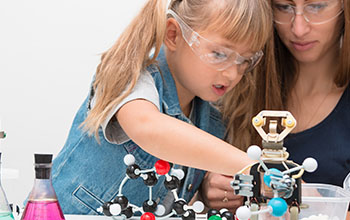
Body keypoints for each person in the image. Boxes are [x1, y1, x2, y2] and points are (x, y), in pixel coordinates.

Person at [49, 0, 273, 215]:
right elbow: (147, 127)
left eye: (245, 60)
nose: (233, 73)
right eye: (219, 54)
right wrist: (255, 169)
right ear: (173, 34)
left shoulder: (212, 119)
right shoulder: (131, 75)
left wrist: (205, 193)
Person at [200, 0, 350, 216]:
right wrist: (208, 187)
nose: (298, 29)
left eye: (316, 6)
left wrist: (318, 208)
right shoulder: (232, 81)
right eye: (283, 7)